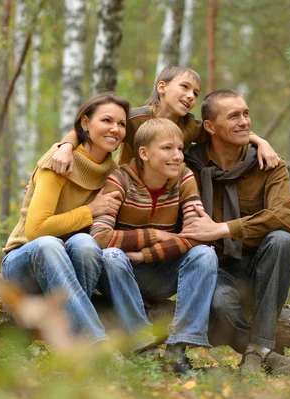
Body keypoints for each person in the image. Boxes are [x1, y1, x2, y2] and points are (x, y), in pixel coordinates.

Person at [1, 93, 154, 349]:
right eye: (106, 120)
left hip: (69, 269)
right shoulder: (59, 160)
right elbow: (36, 230)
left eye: (121, 124)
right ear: (85, 123)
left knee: (85, 242)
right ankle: (94, 343)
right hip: (24, 261)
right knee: (49, 244)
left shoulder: (114, 175)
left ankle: (70, 344)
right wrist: (90, 210)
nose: (115, 129)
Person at [180, 90, 290, 375]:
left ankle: (256, 351)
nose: (245, 122)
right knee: (221, 304)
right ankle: (263, 353)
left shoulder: (268, 164)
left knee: (282, 240)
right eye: (234, 116)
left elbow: (285, 215)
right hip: (213, 266)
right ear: (209, 127)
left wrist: (223, 228)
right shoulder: (187, 165)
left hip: (259, 264)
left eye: (246, 114)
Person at [90, 117, 218, 374]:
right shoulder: (120, 180)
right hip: (121, 275)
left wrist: (143, 255)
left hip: (160, 271)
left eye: (180, 149)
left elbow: (199, 233)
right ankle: (143, 350)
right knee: (112, 256)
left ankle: (178, 350)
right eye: (168, 148)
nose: (177, 156)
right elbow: (100, 238)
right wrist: (155, 236)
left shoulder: (184, 178)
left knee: (205, 254)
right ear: (144, 153)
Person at [51, 66, 281, 175]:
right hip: (126, 190)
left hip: (167, 196)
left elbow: (223, 129)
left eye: (195, 93)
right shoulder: (134, 120)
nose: (191, 96)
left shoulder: (190, 127)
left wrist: (261, 141)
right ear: (162, 87)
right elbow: (87, 131)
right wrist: (65, 148)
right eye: (184, 87)